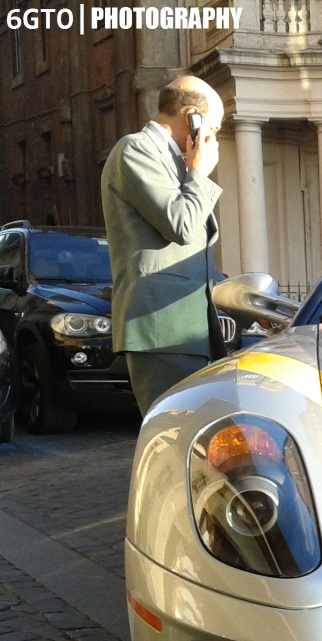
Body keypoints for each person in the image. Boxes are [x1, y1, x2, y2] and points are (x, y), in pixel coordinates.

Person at [101, 75, 227, 414]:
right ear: (191, 117)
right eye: (211, 128)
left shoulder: (175, 163)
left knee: (194, 446)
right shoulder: (136, 149)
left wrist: (248, 305)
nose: (213, 139)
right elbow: (182, 225)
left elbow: (192, 259)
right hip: (161, 329)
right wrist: (199, 172)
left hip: (186, 331)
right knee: (174, 440)